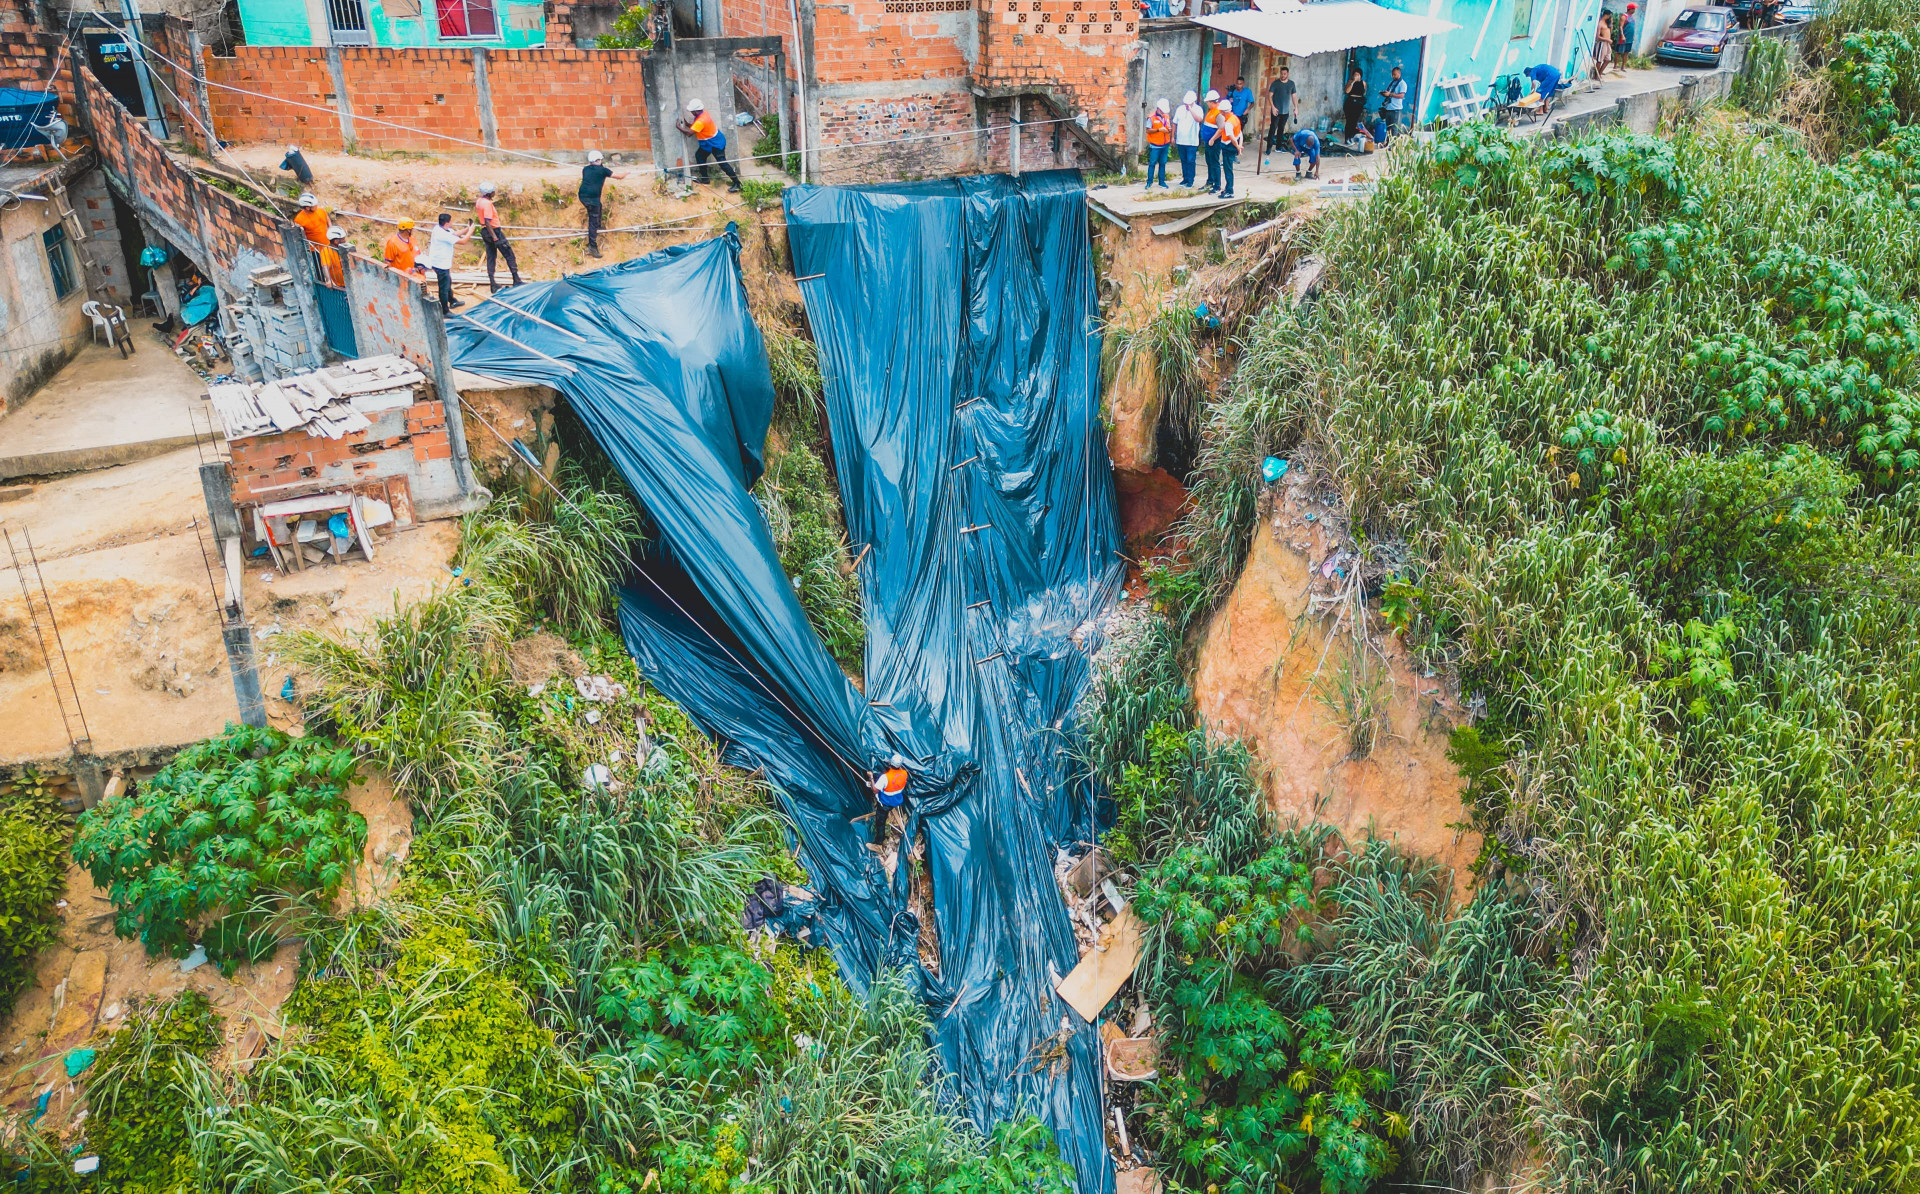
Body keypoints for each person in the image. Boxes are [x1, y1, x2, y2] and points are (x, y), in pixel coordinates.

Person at [677, 99, 742, 192]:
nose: (691, 112)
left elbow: (689, 133)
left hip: (716, 144)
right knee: (699, 156)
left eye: (692, 111)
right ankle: (705, 179)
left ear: (695, 111)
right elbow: (696, 127)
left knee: (722, 163)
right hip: (708, 143)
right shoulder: (703, 114)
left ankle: (737, 183)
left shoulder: (701, 120)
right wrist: (687, 124)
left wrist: (678, 127)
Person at [472, 181, 522, 292]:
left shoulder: (479, 201)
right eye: (493, 191)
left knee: (491, 257)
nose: (495, 193)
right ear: (489, 193)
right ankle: (516, 279)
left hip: (485, 231)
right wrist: (495, 236)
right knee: (509, 254)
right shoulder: (488, 204)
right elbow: (487, 221)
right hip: (493, 231)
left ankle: (493, 283)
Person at [579, 149, 627, 258]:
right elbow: (619, 177)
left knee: (598, 208)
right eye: (600, 160)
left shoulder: (585, 169)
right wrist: (627, 173)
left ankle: (598, 225)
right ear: (598, 160)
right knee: (593, 219)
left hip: (582, 196)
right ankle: (592, 246)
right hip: (592, 199)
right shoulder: (603, 171)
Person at [423, 212, 474, 314]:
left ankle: (452, 301)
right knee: (444, 287)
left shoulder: (439, 228)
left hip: (441, 263)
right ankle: (445, 311)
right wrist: (471, 231)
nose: (452, 222)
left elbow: (455, 233)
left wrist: (467, 228)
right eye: (451, 221)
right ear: (447, 222)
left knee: (448, 282)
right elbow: (463, 241)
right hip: (440, 264)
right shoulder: (443, 235)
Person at [1173, 90, 1203, 187]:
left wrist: (1191, 109)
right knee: (1183, 160)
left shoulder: (1198, 109)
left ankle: (1191, 179)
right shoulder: (1180, 109)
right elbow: (1175, 122)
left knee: (1190, 160)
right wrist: (1173, 136)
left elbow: (1199, 119)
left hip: (1192, 141)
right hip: (1181, 140)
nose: (1186, 105)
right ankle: (1185, 178)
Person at [1214, 103, 1243, 199]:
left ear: (1223, 112)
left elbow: (1232, 138)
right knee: (1228, 169)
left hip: (1228, 147)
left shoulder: (1228, 124)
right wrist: (1239, 145)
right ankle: (1228, 188)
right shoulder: (1235, 118)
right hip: (1231, 146)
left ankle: (1230, 191)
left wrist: (1238, 147)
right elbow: (1240, 133)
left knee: (1228, 170)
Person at [1267, 65, 1297, 152]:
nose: (1283, 75)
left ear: (1288, 74)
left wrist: (1296, 108)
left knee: (1281, 129)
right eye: (1281, 74)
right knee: (1273, 128)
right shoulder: (1275, 83)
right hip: (1276, 110)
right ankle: (1269, 147)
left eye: (1284, 74)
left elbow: (1294, 96)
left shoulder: (1291, 84)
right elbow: (1270, 95)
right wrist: (1273, 107)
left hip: (1285, 111)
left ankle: (1278, 147)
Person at [1144, 99, 1172, 190]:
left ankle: (1162, 182)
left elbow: (1168, 126)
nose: (1164, 112)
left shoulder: (1166, 116)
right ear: (1158, 109)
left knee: (1163, 163)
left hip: (1165, 144)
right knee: (1152, 163)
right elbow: (1148, 130)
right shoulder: (1151, 117)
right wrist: (1159, 130)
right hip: (1155, 145)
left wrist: (1169, 129)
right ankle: (1149, 182)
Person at [1201, 89, 1224, 192]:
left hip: (1214, 142)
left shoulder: (1218, 113)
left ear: (1212, 102)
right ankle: (1210, 181)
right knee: (1209, 162)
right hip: (1208, 141)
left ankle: (1217, 185)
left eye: (1208, 102)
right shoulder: (1211, 111)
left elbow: (1221, 128)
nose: (1207, 104)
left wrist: (1213, 139)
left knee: (1214, 163)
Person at [1379, 65, 1409, 135]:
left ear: (1399, 74)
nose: (1393, 76)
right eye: (1392, 74)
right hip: (1388, 108)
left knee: (1394, 129)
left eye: (1395, 75)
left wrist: (1390, 94)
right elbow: (1389, 93)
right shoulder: (1392, 83)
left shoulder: (1402, 84)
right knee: (1388, 128)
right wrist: (1384, 94)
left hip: (1396, 109)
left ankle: (1393, 145)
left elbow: (1402, 95)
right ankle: (1388, 143)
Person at [1343, 66, 1368, 141]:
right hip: (1350, 103)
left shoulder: (1363, 83)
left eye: (1358, 75)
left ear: (1360, 76)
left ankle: (1351, 136)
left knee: (1354, 121)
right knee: (1349, 121)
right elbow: (1347, 91)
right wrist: (1353, 82)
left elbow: (1364, 92)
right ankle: (1347, 138)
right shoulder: (1350, 82)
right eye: (1355, 74)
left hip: (1358, 104)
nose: (1356, 76)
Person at [1595, 13, 1614, 79]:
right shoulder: (1600, 23)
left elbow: (1610, 31)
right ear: (1606, 15)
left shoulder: (1607, 23)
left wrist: (1611, 23)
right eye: (1609, 16)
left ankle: (1599, 73)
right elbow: (1598, 36)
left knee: (1608, 59)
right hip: (1602, 43)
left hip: (1607, 43)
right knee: (1600, 60)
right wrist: (1606, 39)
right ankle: (1596, 75)